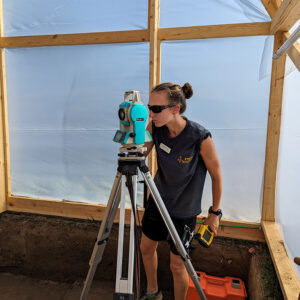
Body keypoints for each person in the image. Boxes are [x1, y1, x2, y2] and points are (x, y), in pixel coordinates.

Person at [139, 82, 222, 300]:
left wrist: (215, 213)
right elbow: (141, 153)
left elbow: (216, 175)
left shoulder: (200, 137)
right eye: (149, 107)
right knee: (146, 248)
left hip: (184, 209)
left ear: (175, 109)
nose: (151, 113)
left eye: (157, 109)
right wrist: (135, 131)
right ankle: (152, 292)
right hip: (158, 201)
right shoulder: (155, 127)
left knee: (178, 265)